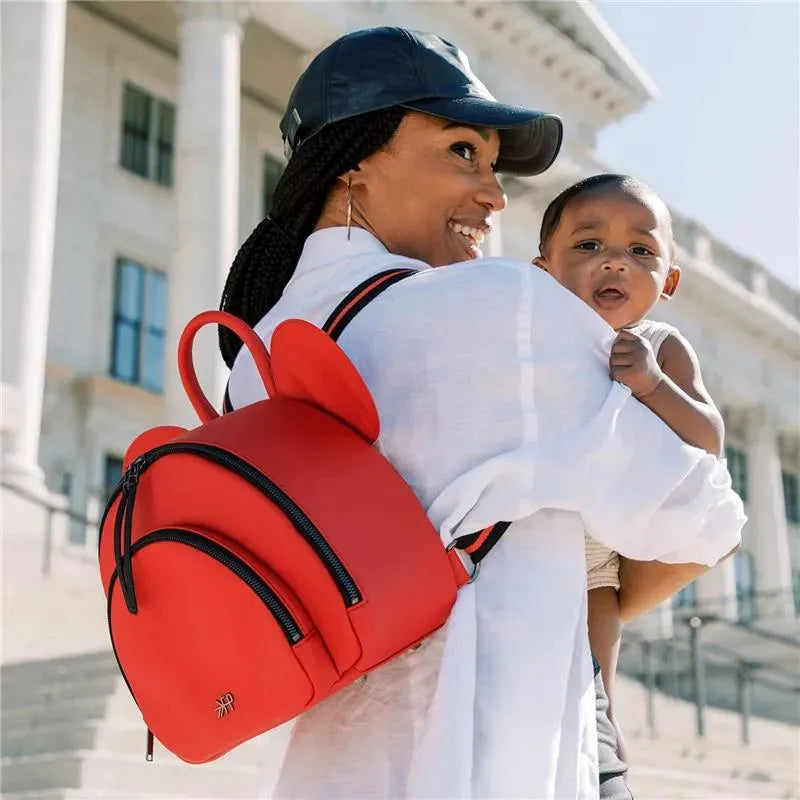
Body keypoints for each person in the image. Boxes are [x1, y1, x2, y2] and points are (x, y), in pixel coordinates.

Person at [221, 27, 744, 799]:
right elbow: (703, 519)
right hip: (489, 757)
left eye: (494, 167)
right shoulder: (501, 310)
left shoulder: (250, 357)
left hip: (333, 769)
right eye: (463, 151)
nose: (495, 196)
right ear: (354, 159)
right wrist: (587, 578)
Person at [533, 173, 725, 718]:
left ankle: (603, 735)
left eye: (641, 250)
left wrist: (653, 386)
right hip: (527, 526)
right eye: (589, 244)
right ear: (543, 267)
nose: (614, 261)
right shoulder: (533, 336)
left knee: (594, 683)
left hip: (598, 549)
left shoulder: (661, 347)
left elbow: (708, 440)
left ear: (669, 281)